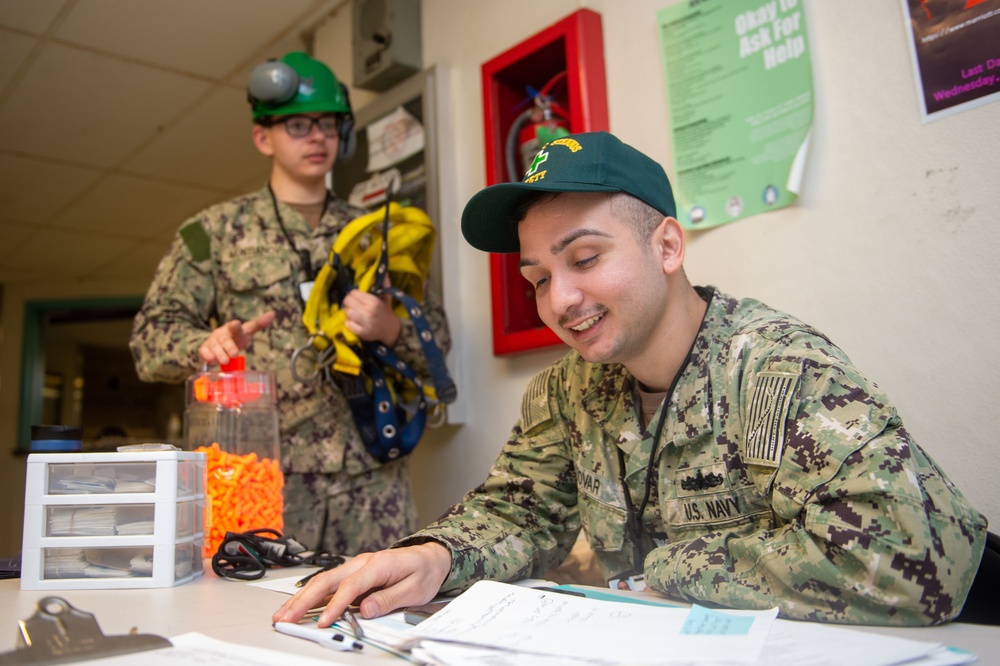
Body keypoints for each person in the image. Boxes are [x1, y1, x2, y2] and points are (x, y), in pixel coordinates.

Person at [274, 131, 987, 628]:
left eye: (584, 259)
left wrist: (677, 568)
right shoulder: (565, 392)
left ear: (667, 246)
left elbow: (912, 558)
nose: (560, 301)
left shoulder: (776, 370)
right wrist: (433, 557)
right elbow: (520, 513)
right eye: (539, 278)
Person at [130, 51, 451, 555]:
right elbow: (149, 341)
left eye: (328, 123)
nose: (318, 136)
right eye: (298, 125)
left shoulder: (376, 233)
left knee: (376, 612)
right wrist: (205, 345)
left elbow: (438, 341)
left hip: (369, 478)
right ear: (264, 137)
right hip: (261, 478)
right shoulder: (214, 233)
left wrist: (390, 327)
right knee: (248, 616)